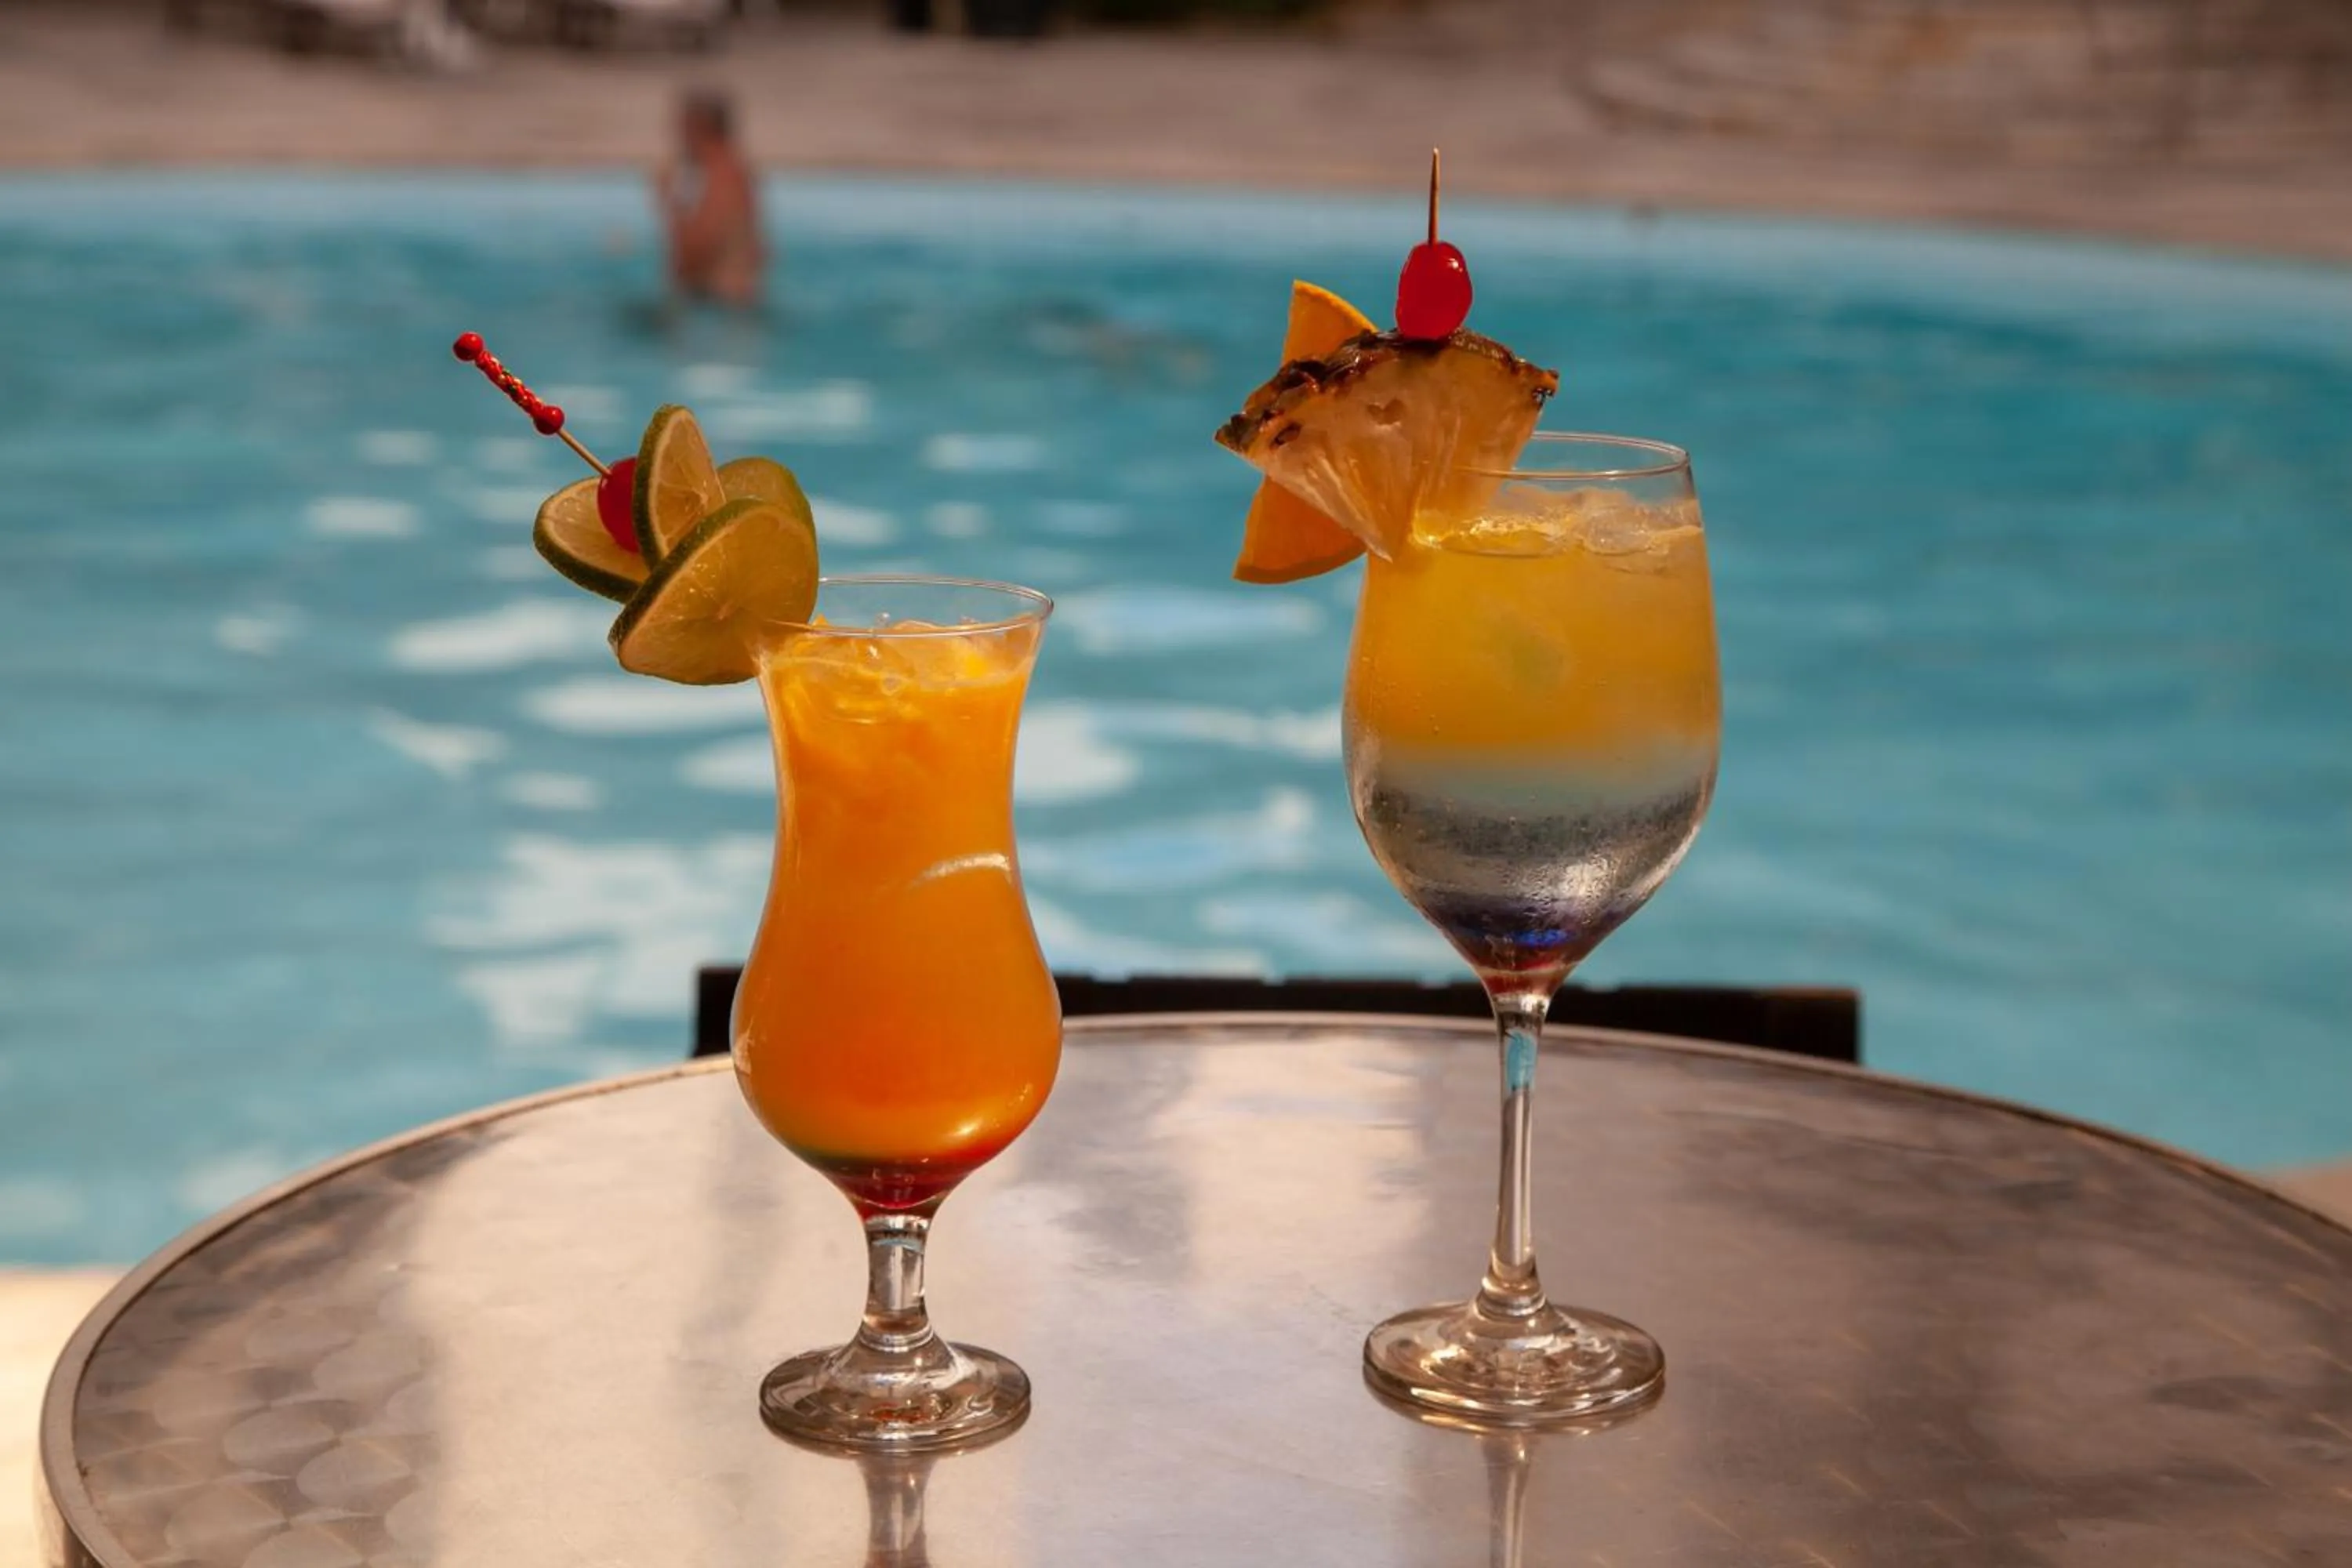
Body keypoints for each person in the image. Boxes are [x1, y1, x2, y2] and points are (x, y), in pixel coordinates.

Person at [655, 90, 765, 308]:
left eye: (683, 130)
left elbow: (695, 253)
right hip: (726, 303)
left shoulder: (722, 176)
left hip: (718, 306)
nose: (679, 140)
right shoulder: (733, 173)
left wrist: (669, 202)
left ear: (701, 129)